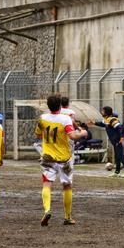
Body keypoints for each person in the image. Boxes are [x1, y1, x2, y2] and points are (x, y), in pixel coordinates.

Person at [35, 94, 88, 227]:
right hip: (64, 158)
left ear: (48, 106)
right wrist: (83, 133)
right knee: (67, 186)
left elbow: (38, 134)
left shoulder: (42, 118)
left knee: (47, 184)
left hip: (47, 156)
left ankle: (47, 210)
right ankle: (67, 217)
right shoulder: (65, 119)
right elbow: (73, 136)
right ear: (60, 105)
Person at [90, 106, 124, 178]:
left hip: (118, 140)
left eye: (102, 111)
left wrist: (121, 138)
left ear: (106, 112)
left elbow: (119, 128)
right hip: (114, 141)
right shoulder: (106, 119)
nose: (101, 112)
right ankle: (117, 172)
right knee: (117, 156)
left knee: (121, 156)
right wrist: (94, 123)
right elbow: (103, 124)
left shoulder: (112, 119)